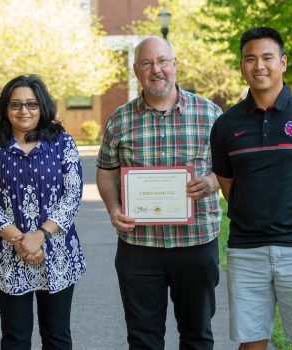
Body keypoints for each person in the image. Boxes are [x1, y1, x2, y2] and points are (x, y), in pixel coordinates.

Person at [210, 27, 292, 350]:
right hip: (247, 251)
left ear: (282, 62)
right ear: (242, 65)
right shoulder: (226, 125)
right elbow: (228, 186)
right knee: (251, 344)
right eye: (250, 58)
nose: (259, 66)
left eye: (267, 57)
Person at [96, 36, 223, 349]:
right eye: (148, 63)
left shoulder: (210, 114)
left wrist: (210, 182)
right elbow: (106, 169)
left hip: (196, 242)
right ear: (137, 70)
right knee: (143, 339)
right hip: (139, 246)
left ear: (175, 65)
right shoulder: (120, 119)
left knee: (197, 336)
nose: (157, 69)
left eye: (163, 61)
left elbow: (231, 168)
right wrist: (113, 209)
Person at [0, 74, 86, 350]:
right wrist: (22, 241)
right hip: (9, 253)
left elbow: (72, 195)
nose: (24, 111)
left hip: (57, 250)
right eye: (15, 104)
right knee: (15, 339)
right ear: (5, 108)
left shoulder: (62, 142)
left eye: (31, 104)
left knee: (57, 337)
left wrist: (40, 236)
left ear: (42, 107)